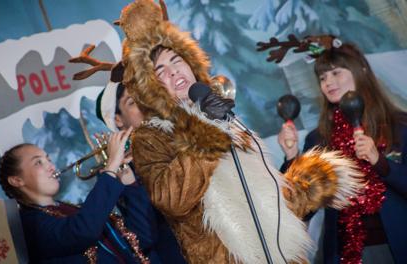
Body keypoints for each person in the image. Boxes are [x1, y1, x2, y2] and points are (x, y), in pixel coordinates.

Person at [115, 1, 364, 263]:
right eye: (160, 71)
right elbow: (172, 199)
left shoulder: (218, 111)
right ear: (152, 86)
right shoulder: (150, 137)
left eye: (176, 60)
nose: (173, 71)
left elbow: (261, 196)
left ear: (190, 63)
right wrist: (206, 134)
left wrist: (304, 186)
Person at [277, 40, 407, 263]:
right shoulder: (318, 139)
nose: (329, 82)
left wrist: (380, 162)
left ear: (360, 72)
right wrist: (291, 157)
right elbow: (302, 207)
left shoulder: (399, 126)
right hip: (345, 255)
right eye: (322, 78)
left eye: (336, 73)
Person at [0, 127, 162, 263]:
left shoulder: (72, 209)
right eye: (38, 162)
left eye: (48, 159)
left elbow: (143, 238)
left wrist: (127, 179)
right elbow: (82, 232)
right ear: (17, 180)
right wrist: (111, 166)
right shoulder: (28, 225)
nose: (51, 166)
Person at [95, 62, 187, 263]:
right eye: (131, 102)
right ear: (118, 120)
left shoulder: (183, 135)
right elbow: (144, 240)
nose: (143, 104)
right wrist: (131, 185)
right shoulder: (125, 172)